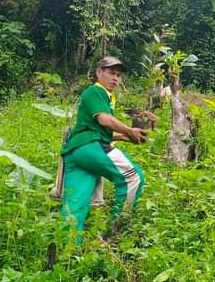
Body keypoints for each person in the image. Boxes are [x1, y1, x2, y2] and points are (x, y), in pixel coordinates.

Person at [60, 56, 149, 243]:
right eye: (111, 73)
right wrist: (129, 130)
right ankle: (117, 232)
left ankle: (65, 252)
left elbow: (99, 131)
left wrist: (127, 137)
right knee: (133, 177)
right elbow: (104, 121)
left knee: (74, 206)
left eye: (118, 75)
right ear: (98, 72)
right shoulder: (96, 91)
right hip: (89, 148)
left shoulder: (105, 97)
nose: (115, 78)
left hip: (76, 153)